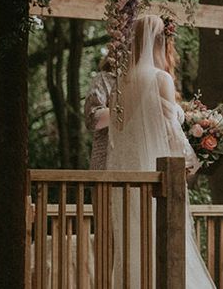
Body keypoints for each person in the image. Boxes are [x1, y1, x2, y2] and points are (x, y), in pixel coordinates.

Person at [107, 14, 215, 289]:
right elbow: (171, 132)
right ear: (159, 42)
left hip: (126, 176)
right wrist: (192, 159)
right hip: (157, 173)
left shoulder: (119, 84)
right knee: (163, 236)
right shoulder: (159, 79)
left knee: (133, 240)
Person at [83, 54, 117, 169]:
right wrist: (126, 109)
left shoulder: (152, 79)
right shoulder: (103, 79)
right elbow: (92, 119)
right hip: (108, 158)